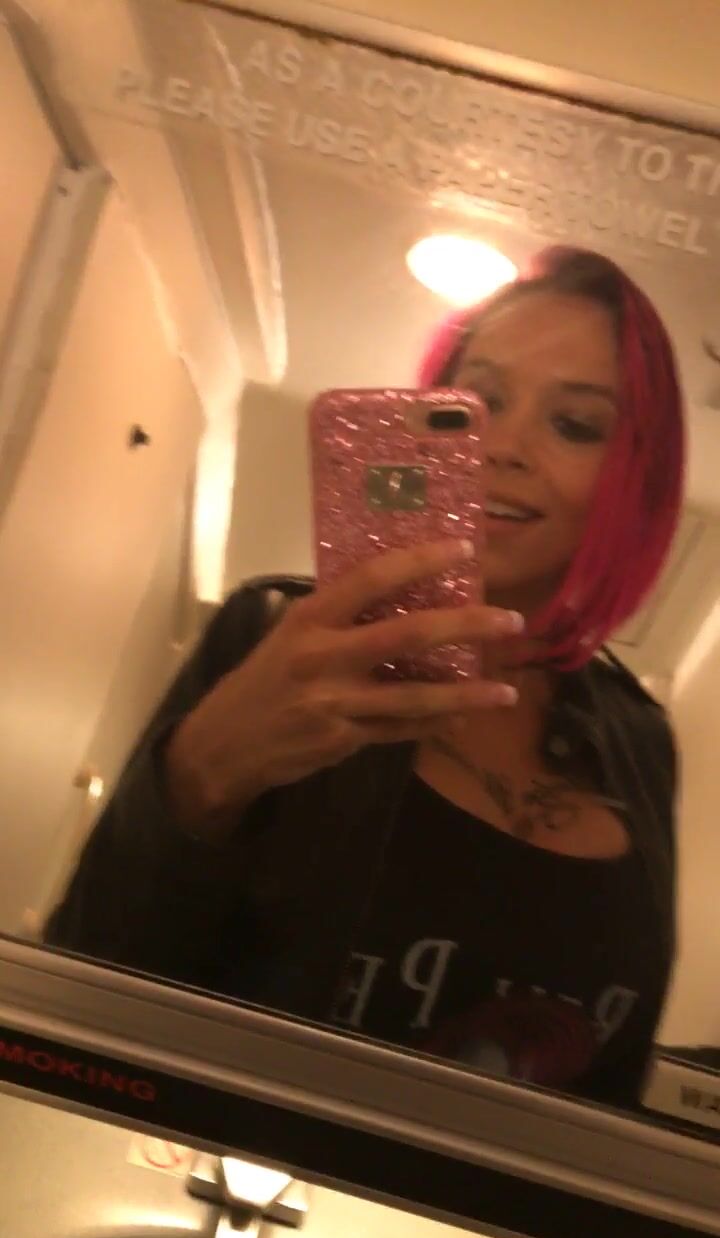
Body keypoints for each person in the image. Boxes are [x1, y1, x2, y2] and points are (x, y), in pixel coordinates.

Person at [44, 245, 684, 1109]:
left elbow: (615, 1081)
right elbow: (83, 1002)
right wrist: (195, 778)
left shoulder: (640, 740)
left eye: (574, 425)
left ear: (634, 482)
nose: (502, 447)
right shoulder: (277, 639)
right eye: (476, 404)